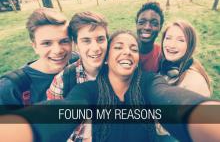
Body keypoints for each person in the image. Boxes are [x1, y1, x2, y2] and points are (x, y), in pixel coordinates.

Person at [1, 30, 219, 142]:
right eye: (119, 47)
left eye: (133, 48)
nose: (127, 52)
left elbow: (170, 100)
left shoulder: (149, 83)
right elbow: (66, 109)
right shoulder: (89, 90)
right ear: (106, 58)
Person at [46, 11, 109, 142]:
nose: (95, 48)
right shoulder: (62, 82)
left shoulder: (119, 73)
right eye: (86, 40)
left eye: (100, 39)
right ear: (75, 44)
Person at [0, 8, 72, 105]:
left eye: (64, 41)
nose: (58, 50)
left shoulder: (78, 62)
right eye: (47, 43)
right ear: (35, 46)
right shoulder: (11, 87)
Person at [159, 21, 211, 97]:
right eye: (168, 38)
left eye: (180, 40)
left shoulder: (194, 82)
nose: (172, 45)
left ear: (190, 45)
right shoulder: (166, 64)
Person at [136, 2, 164, 72]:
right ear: (136, 24)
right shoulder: (124, 50)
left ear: (160, 28)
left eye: (154, 23)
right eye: (142, 22)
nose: (147, 27)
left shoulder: (161, 54)